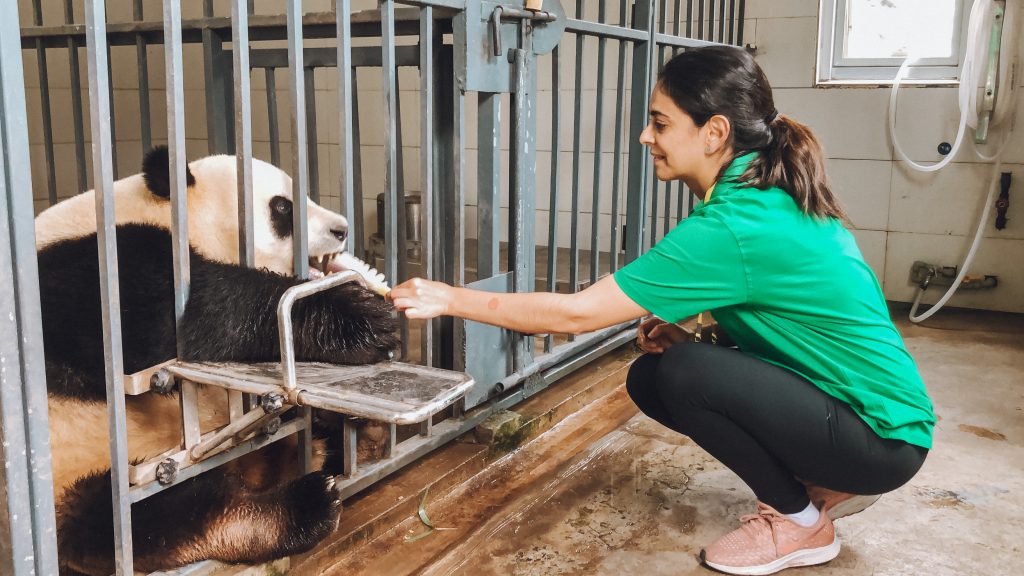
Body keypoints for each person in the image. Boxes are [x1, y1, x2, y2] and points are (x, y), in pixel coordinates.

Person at [390, 45, 934, 575]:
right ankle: (820, 482)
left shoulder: (735, 224)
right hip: (873, 421)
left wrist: (450, 298)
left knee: (682, 373)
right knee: (655, 375)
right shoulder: (763, 196)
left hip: (883, 439)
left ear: (714, 132)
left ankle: (800, 522)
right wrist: (707, 341)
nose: (647, 136)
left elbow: (576, 314)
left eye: (661, 123)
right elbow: (794, 324)